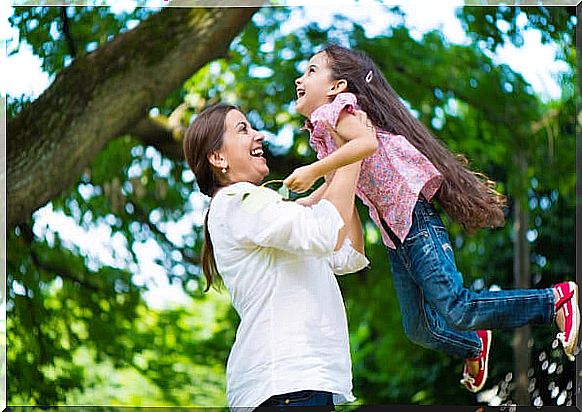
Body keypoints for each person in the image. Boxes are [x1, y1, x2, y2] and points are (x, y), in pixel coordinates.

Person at [282, 44, 579, 393]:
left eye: (312, 71)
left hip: (415, 219)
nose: (301, 79)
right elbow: (335, 182)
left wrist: (310, 170)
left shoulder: (338, 111)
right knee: (420, 328)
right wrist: (302, 204)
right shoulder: (326, 134)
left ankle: (553, 300)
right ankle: (474, 344)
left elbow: (365, 143)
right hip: (396, 237)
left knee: (456, 306)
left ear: (336, 87)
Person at [182, 103, 374, 409]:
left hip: (298, 384)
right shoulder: (238, 200)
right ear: (218, 158)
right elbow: (324, 231)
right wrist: (352, 151)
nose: (258, 135)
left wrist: (343, 161)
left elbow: (346, 254)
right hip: (286, 384)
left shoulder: (263, 211)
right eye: (243, 129)